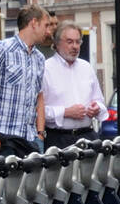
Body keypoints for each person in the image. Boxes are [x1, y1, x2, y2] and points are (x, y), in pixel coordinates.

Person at [0, 4, 53, 155]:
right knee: (8, 179)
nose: (48, 31)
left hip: (31, 140)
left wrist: (40, 133)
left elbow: (39, 96)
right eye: (45, 25)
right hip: (4, 137)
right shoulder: (2, 49)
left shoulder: (39, 58)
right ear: (33, 23)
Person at [42, 21, 106, 149]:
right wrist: (65, 112)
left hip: (88, 136)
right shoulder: (45, 69)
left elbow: (100, 101)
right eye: (70, 42)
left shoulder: (86, 67)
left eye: (78, 42)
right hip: (58, 139)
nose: (75, 46)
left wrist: (96, 108)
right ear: (57, 43)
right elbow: (38, 111)